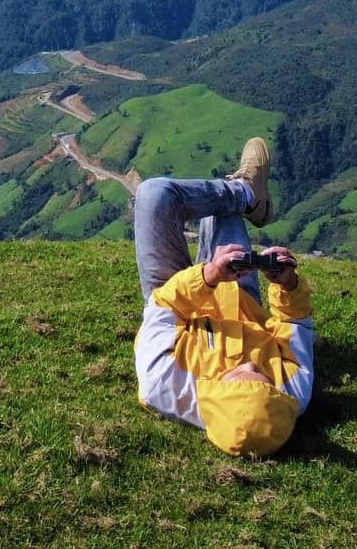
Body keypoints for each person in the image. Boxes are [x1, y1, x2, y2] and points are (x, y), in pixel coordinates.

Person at [132, 136, 314, 457]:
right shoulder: (292, 393)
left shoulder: (161, 384)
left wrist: (208, 276)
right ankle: (245, 195)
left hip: (174, 299)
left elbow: (162, 306)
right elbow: (296, 323)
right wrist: (287, 285)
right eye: (262, 375)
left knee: (153, 194)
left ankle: (244, 193)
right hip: (240, 291)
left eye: (240, 374)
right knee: (224, 213)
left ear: (215, 394)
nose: (250, 365)